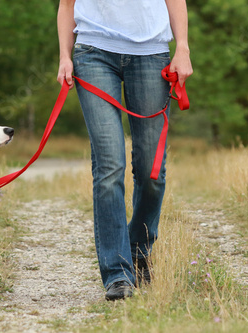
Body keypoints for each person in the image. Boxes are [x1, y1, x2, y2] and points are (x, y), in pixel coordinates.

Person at [56, 0, 193, 301]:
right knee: (109, 167)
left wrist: (182, 47)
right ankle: (117, 274)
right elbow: (67, 5)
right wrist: (65, 56)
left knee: (151, 171)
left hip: (151, 54)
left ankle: (138, 250)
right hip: (93, 54)